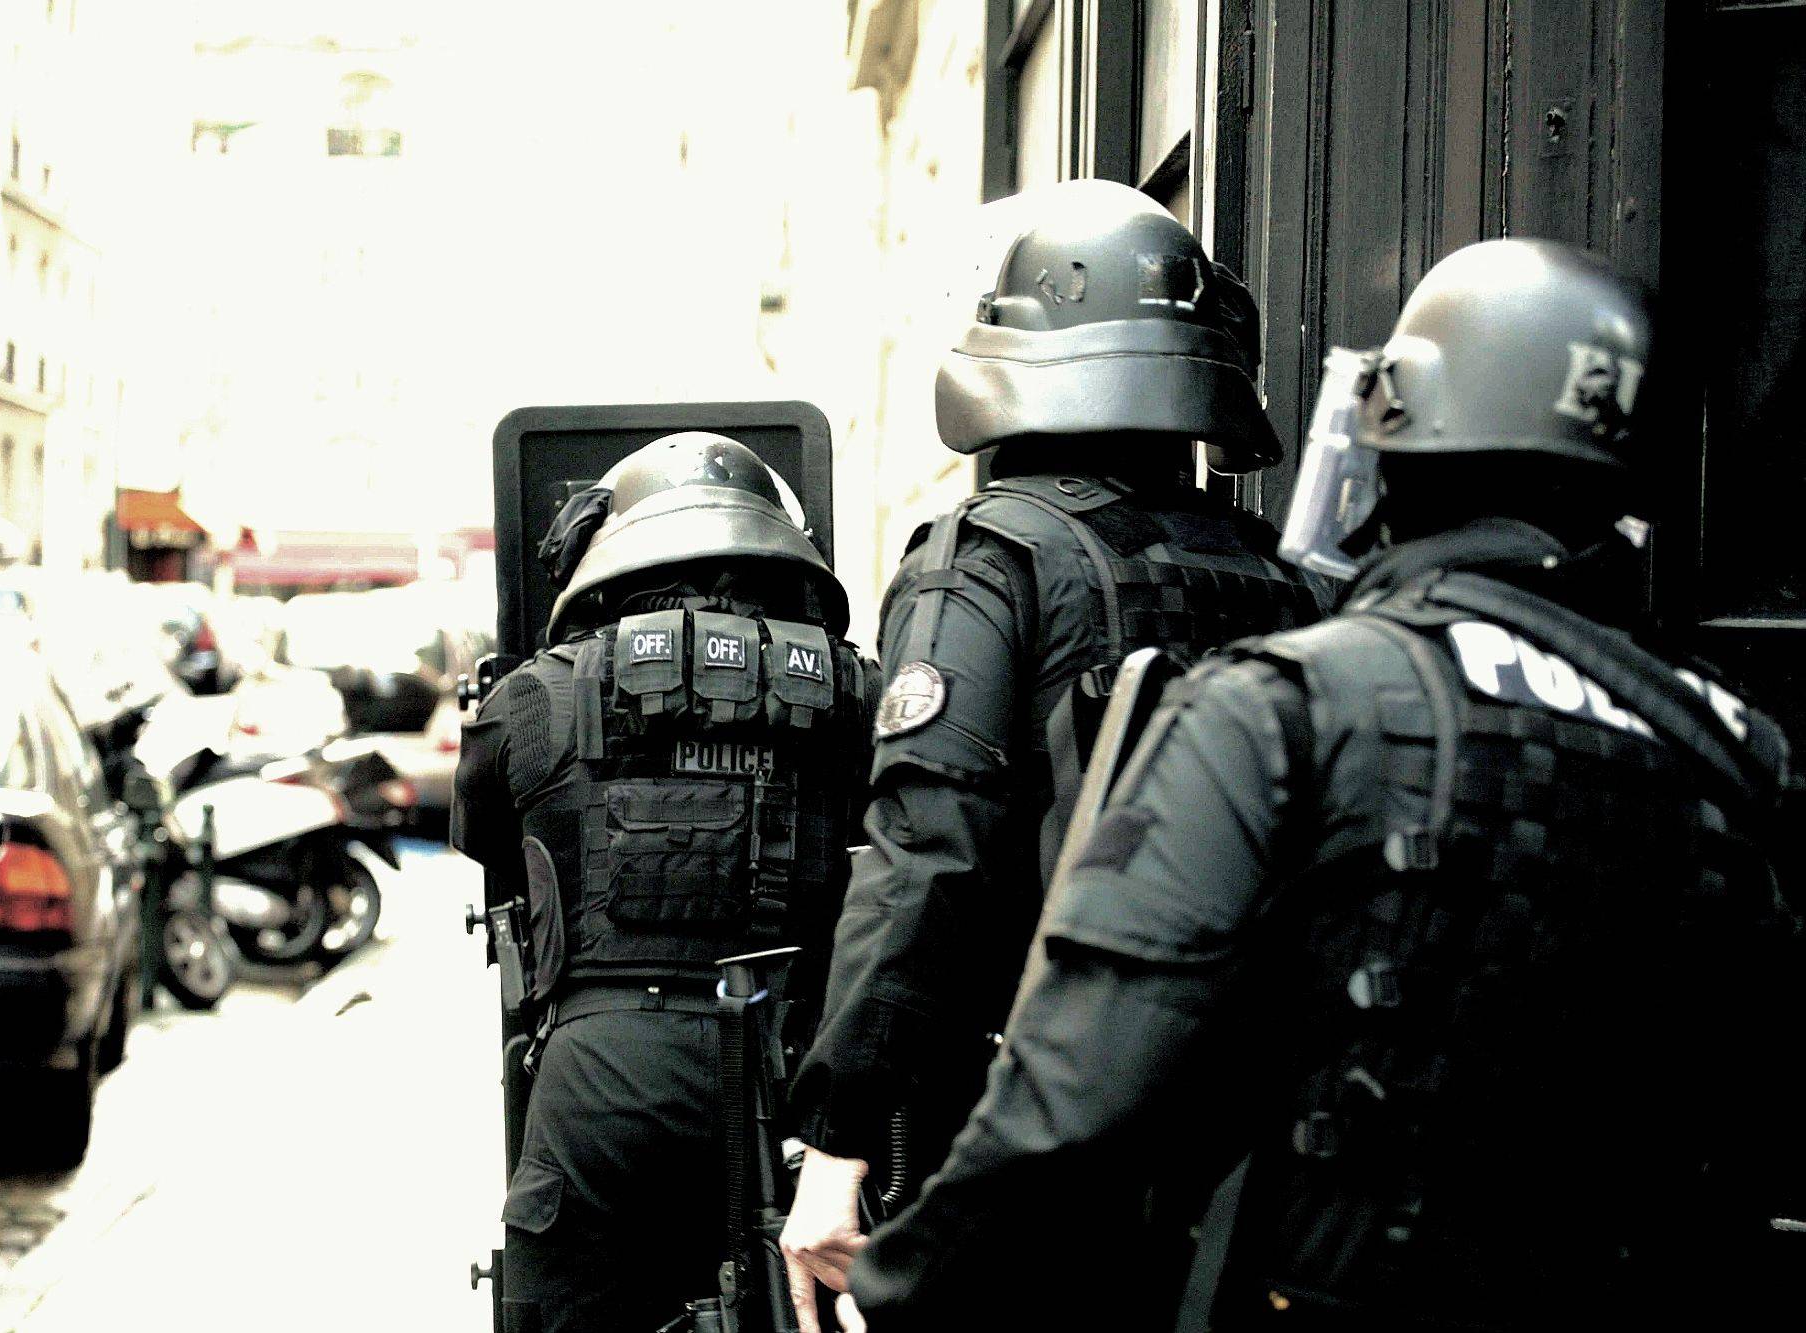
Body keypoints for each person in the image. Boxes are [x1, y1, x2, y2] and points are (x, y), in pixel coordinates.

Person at [835, 238, 1806, 1331]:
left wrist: (901, 1289)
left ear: (1402, 432)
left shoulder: (1294, 702)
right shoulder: (1735, 750)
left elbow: (1073, 1101)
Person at [781, 179, 1322, 1323]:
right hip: (1244, 1145)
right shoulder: (1284, 577)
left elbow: (927, 851)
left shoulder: (989, 552)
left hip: (1035, 1129)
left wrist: (836, 1140)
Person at [452, 432, 875, 1333]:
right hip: (797, 1070)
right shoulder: (856, 690)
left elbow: (488, 849)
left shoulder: (532, 697)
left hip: (603, 1081)